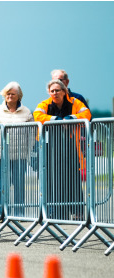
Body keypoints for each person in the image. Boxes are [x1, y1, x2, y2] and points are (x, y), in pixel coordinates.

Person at [33, 79, 91, 220]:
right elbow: (37, 115)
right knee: (54, 179)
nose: (55, 93)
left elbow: (86, 114)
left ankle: (78, 212)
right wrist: (56, 119)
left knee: (74, 179)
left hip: (71, 146)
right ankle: (59, 212)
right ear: (49, 92)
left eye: (57, 90)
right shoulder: (44, 104)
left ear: (64, 91)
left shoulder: (75, 102)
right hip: (51, 147)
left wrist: (71, 117)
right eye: (52, 91)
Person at [0, 81, 34, 216]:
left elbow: (32, 133)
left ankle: (20, 213)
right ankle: (4, 212)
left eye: (13, 94)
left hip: (20, 154)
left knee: (19, 185)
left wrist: (29, 149)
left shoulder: (26, 111)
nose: (10, 96)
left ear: (19, 96)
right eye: (8, 94)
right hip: (2, 154)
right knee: (4, 185)